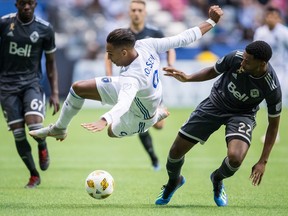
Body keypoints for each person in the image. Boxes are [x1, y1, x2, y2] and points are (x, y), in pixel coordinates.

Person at [28, 6, 223, 146]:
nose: (108, 58)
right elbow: (183, 38)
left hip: (141, 114)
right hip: (136, 92)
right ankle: (60, 128)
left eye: (110, 54)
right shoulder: (146, 44)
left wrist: (104, 120)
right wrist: (211, 21)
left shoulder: (133, 77)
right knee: (78, 88)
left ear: (123, 53)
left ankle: (157, 115)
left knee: (112, 132)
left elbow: (123, 104)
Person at [154, 40, 282, 206]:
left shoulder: (271, 87)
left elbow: (273, 125)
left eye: (247, 61)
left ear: (261, 63)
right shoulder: (235, 57)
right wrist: (188, 78)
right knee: (175, 151)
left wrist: (262, 161)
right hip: (215, 103)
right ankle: (174, 181)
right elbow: (212, 71)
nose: (242, 62)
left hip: (242, 114)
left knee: (235, 158)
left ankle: (217, 178)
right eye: (243, 58)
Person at [105, 0, 176, 171]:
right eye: (133, 10)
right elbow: (108, 55)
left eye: (139, 10)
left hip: (150, 88)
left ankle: (153, 119)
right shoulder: (122, 33)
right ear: (129, 12)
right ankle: (154, 159)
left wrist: (171, 64)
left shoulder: (154, 32)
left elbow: (170, 48)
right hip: (128, 85)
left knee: (158, 126)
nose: (136, 13)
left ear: (145, 13)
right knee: (141, 121)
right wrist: (109, 77)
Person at [0, 0, 60, 188]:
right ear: (16, 4)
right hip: (6, 87)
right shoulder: (3, 23)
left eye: (30, 3)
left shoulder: (45, 29)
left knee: (35, 127)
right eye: (22, 3)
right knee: (18, 134)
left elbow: (51, 62)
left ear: (35, 4)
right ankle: (34, 175)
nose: (26, 7)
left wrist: (55, 92)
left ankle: (42, 146)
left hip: (31, 84)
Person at [253, 6, 288, 143]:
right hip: (263, 70)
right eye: (268, 16)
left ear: (279, 18)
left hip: (281, 71)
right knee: (257, 99)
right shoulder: (260, 32)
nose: (270, 19)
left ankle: (275, 132)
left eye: (273, 16)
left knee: (275, 102)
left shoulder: (285, 33)